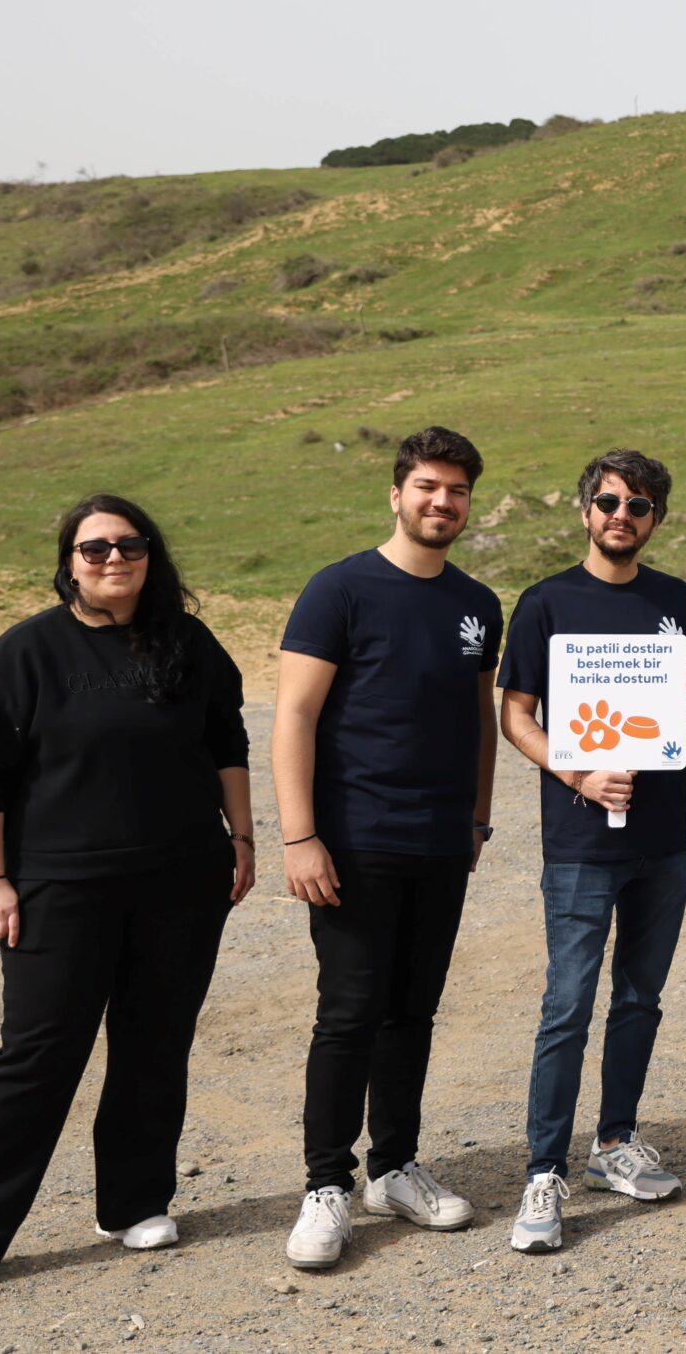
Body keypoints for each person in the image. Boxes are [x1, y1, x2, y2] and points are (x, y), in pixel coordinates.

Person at [0, 498, 254, 1299]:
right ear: (69, 560)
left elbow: (225, 740)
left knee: (154, 1040)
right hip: (58, 886)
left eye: (128, 545)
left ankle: (134, 1203)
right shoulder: (25, 653)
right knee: (37, 1054)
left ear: (149, 555)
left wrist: (243, 837)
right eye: (93, 547)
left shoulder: (187, 642)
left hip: (181, 879)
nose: (111, 558)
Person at [276, 427, 503, 1271]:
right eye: (427, 487)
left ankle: (395, 1166)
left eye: (457, 491)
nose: (442, 502)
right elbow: (294, 716)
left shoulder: (478, 602)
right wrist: (300, 836)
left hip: (442, 841)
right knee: (349, 1013)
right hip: (353, 840)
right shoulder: (339, 588)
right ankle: (325, 1184)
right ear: (397, 493)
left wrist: (477, 820)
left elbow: (479, 718)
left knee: (413, 1009)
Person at [496, 450, 686, 1250]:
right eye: (610, 501)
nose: (624, 514)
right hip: (582, 841)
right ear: (586, 509)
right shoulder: (547, 601)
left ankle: (614, 1143)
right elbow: (516, 714)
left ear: (656, 518)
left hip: (664, 838)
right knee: (567, 1005)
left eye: (641, 504)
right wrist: (579, 772)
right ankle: (543, 1172)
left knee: (640, 999)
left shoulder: (674, 599)